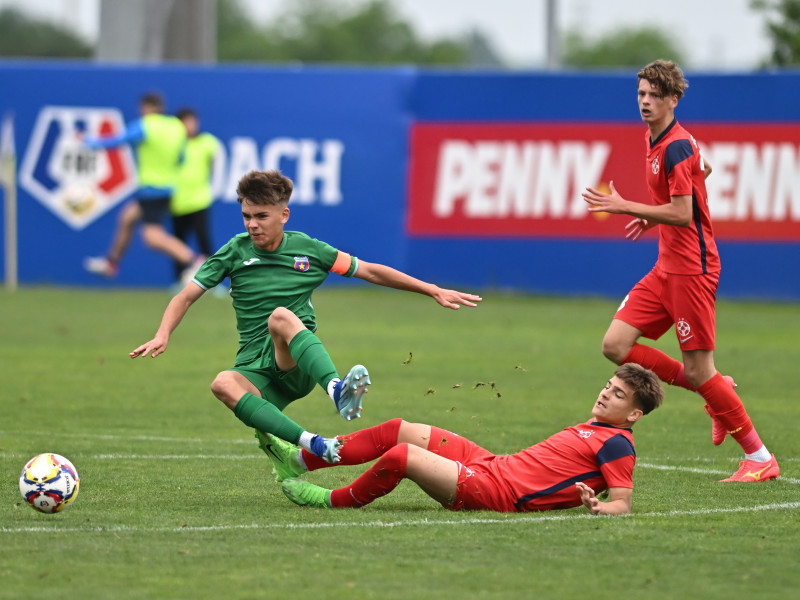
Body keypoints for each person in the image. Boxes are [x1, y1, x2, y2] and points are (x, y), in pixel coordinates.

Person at [129, 169, 482, 464]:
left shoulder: (309, 250)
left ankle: (336, 389)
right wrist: (163, 334)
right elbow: (187, 294)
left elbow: (371, 272)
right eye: (247, 216)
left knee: (281, 316)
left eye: (261, 216)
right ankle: (316, 445)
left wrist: (431, 288)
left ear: (284, 215)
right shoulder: (233, 251)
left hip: (295, 360)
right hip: (256, 365)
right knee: (222, 383)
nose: (252, 224)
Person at [581, 59, 779, 482]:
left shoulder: (675, 144)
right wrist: (654, 218)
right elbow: (700, 173)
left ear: (674, 99)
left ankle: (760, 457)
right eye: (641, 94)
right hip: (666, 267)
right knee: (615, 344)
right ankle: (715, 390)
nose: (646, 102)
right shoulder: (659, 139)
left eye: (655, 95)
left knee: (697, 369)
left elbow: (684, 211)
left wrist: (627, 206)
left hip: (692, 269)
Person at [259, 363, 663, 515]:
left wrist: (598, 506)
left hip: (499, 493)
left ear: (634, 415)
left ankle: (330, 499)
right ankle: (299, 461)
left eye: (618, 394)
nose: (606, 393)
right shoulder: (597, 425)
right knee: (398, 428)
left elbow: (623, 502)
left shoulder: (617, 444)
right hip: (494, 464)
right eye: (609, 385)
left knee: (403, 455)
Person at [83, 92, 204, 281]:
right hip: (167, 188)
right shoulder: (176, 127)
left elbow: (118, 140)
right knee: (127, 218)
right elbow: (182, 159)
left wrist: (89, 141)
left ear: (146, 107)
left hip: (151, 189)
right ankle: (111, 262)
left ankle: (195, 261)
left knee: (152, 237)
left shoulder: (146, 125)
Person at [169, 107, 221, 282]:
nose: (190, 125)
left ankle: (213, 282)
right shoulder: (173, 144)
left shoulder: (207, 142)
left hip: (199, 200)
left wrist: (213, 189)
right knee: (178, 243)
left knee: (204, 241)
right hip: (177, 202)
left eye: (193, 121)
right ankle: (179, 280)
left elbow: (217, 165)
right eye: (186, 122)